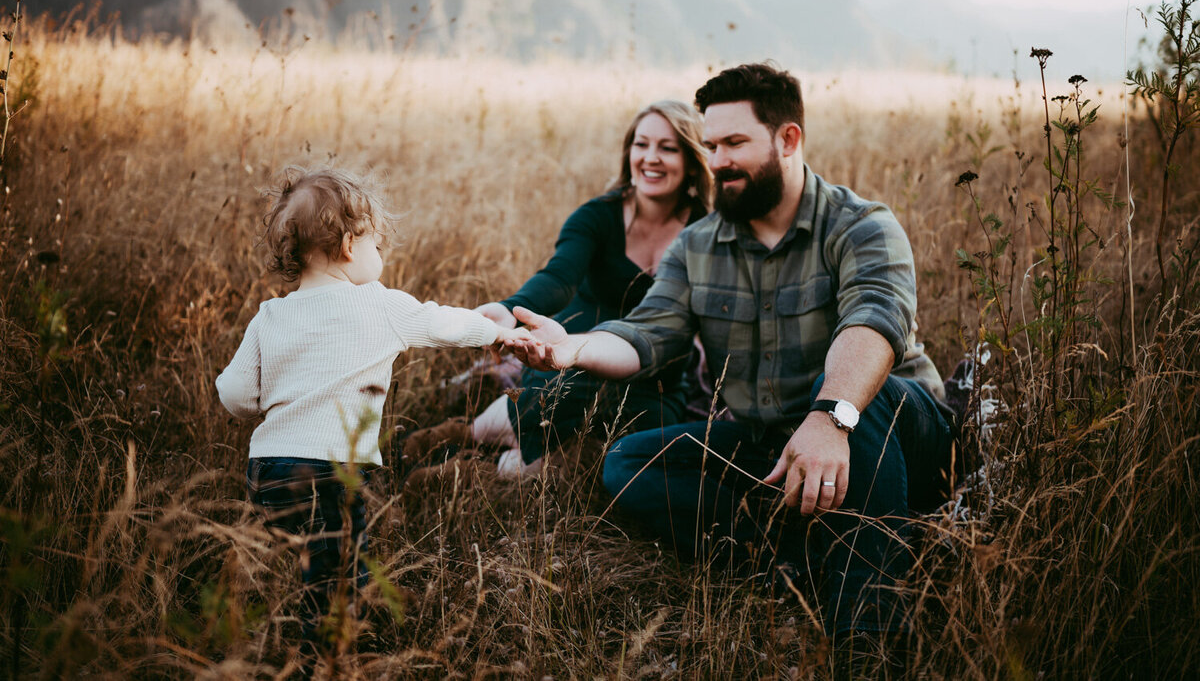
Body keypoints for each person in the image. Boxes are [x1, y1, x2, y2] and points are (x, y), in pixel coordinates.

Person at [506, 64, 955, 648]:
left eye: (735, 143)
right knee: (629, 464)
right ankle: (797, 556)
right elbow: (647, 335)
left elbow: (874, 324)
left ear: (788, 139)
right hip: (772, 445)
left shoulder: (861, 225)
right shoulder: (696, 246)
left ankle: (867, 640)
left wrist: (829, 418)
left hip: (891, 436)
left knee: (870, 397)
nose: (717, 161)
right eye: (712, 145)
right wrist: (574, 349)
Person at [215, 167, 526, 647]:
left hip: (268, 472)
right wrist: (499, 333)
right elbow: (440, 323)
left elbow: (235, 395)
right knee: (340, 582)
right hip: (331, 474)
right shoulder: (379, 305)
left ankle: (299, 629)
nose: (380, 255)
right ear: (348, 246)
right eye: (376, 245)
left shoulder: (269, 315)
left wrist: (267, 397)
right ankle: (324, 659)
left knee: (312, 562)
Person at [402, 101, 714, 476]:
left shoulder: (707, 231)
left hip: (652, 382)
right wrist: (511, 307)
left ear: (692, 159)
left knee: (572, 465)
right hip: (568, 357)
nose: (650, 158)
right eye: (641, 144)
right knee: (513, 423)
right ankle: (464, 437)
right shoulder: (598, 216)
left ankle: (486, 469)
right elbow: (559, 278)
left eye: (668, 148)